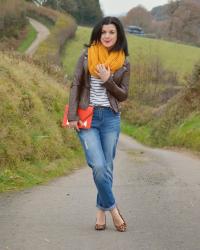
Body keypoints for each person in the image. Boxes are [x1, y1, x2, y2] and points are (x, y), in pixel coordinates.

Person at [67, 16, 130, 232]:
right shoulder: (86, 56)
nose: (107, 36)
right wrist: (73, 115)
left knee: (107, 168)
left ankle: (100, 212)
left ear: (118, 35)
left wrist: (107, 80)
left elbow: (123, 95)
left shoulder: (124, 61)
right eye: (103, 32)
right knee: (99, 165)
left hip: (111, 119)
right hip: (88, 118)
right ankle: (114, 210)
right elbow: (75, 85)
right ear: (98, 34)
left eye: (112, 32)